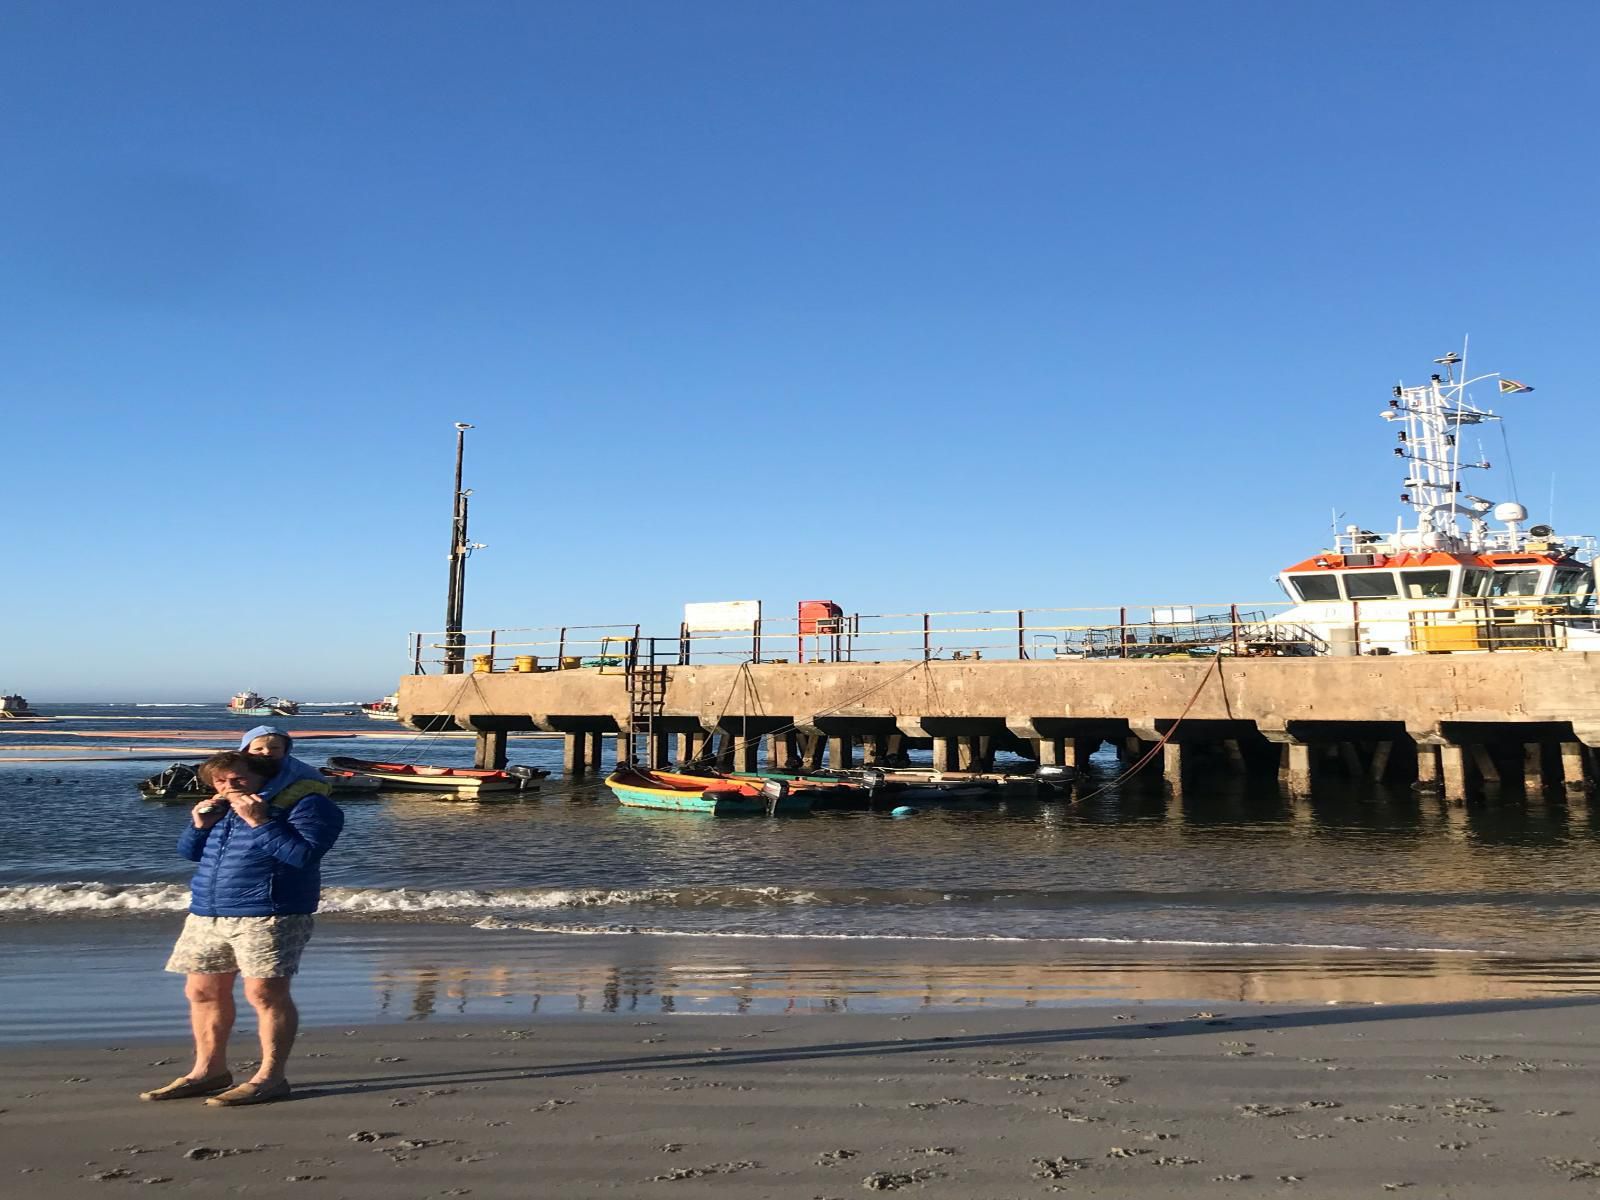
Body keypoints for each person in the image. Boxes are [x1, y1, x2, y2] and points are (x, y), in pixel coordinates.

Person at [139, 749, 345, 1106]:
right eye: (220, 780)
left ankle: (271, 1077)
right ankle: (208, 1071)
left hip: (271, 911)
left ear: (263, 776)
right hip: (208, 911)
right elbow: (190, 853)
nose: (229, 786)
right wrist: (197, 827)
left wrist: (260, 821)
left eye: (239, 778)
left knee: (264, 995)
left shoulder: (310, 805)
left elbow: (303, 856)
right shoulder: (221, 807)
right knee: (201, 992)